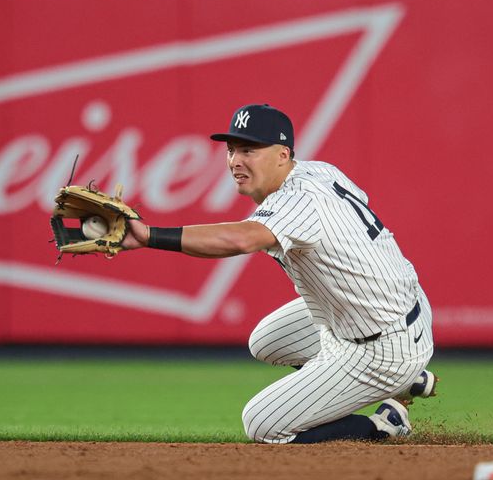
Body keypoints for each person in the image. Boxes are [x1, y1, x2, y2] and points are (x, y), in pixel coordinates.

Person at [122, 103, 436, 443]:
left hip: (380, 345)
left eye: (249, 150)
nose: (235, 161)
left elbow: (240, 239)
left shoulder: (299, 200)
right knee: (266, 342)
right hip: (397, 306)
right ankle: (404, 381)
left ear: (283, 154)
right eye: (231, 150)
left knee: (262, 424)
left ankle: (386, 424)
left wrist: (149, 236)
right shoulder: (319, 171)